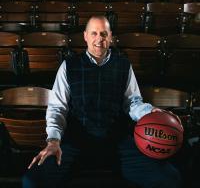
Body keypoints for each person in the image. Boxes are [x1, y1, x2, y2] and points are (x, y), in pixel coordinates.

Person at [22, 16, 181, 188]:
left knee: (169, 178)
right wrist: (53, 140)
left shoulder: (123, 65)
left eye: (104, 33)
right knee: (32, 182)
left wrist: (150, 113)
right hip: (77, 143)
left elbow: (133, 103)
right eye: (94, 33)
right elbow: (57, 108)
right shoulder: (69, 65)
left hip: (118, 143)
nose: (99, 38)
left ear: (110, 36)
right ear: (85, 36)